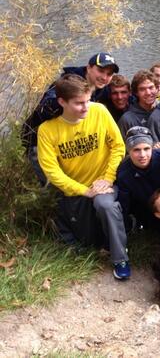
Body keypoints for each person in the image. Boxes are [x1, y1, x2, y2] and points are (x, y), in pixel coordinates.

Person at [37, 74, 129, 280]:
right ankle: (119, 227)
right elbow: (52, 171)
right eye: (79, 103)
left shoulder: (99, 111)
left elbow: (118, 146)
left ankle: (120, 258)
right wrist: (84, 191)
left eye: (88, 100)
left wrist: (107, 178)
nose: (86, 107)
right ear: (62, 102)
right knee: (88, 243)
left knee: (105, 205)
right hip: (76, 189)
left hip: (104, 184)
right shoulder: (47, 131)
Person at [22, 52, 119, 183]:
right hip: (38, 142)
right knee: (52, 185)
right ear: (89, 68)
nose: (104, 77)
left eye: (109, 74)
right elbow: (47, 105)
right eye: (101, 71)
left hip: (68, 143)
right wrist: (66, 102)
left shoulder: (101, 88)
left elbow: (120, 100)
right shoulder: (67, 84)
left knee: (72, 181)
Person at [117, 70, 159, 139]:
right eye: (142, 89)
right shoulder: (127, 119)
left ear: (157, 89)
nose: (148, 93)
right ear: (136, 92)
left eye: (151, 87)